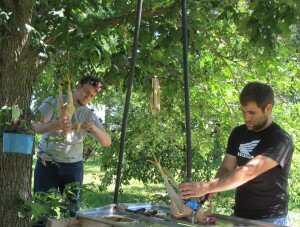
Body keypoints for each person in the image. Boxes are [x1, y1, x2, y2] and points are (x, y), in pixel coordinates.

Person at [179, 82, 294, 226]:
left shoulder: (280, 140)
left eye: (252, 113)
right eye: (243, 112)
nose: (246, 118)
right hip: (239, 215)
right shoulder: (239, 133)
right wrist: (211, 190)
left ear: (268, 108)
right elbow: (227, 168)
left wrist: (206, 186)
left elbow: (249, 171)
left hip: (270, 219)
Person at [33, 76, 111, 217]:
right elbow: (34, 127)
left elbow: (107, 142)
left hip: (73, 167)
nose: (88, 97)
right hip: (46, 164)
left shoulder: (89, 114)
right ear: (78, 86)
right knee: (41, 210)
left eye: (92, 96)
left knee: (71, 213)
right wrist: (54, 125)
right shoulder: (54, 101)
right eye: (86, 92)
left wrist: (94, 129)